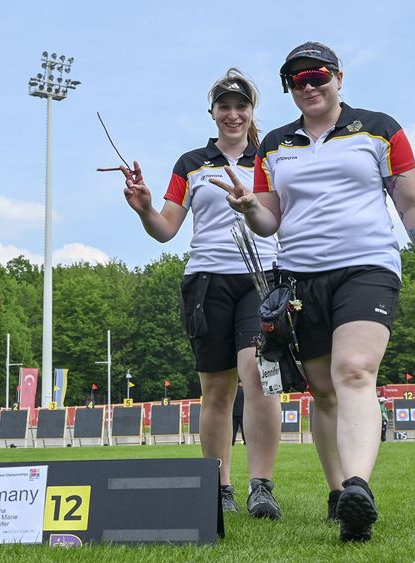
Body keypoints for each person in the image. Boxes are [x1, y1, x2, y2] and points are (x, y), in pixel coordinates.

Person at [212, 42, 415, 541]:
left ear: (339, 77)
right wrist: (247, 206)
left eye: (317, 75)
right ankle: (339, 497)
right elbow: (269, 220)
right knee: (323, 392)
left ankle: (358, 485)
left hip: (367, 268)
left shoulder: (380, 129)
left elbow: (411, 203)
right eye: (296, 81)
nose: (308, 86)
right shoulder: (275, 145)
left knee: (355, 370)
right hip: (299, 280)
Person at [120, 69, 283, 519]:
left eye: (241, 106)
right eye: (224, 106)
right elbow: (165, 229)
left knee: (259, 381)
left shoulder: (271, 159)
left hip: (262, 281)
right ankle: (220, 488)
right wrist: (145, 208)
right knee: (216, 392)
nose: (232, 114)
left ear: (252, 111)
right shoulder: (190, 163)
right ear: (212, 112)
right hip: (206, 282)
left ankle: (262, 487)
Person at [232, 380, 245, 445]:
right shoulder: (243, 391)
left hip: (234, 413)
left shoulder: (233, 391)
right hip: (242, 413)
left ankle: (232, 441)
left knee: (233, 429)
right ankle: (245, 441)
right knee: (244, 429)